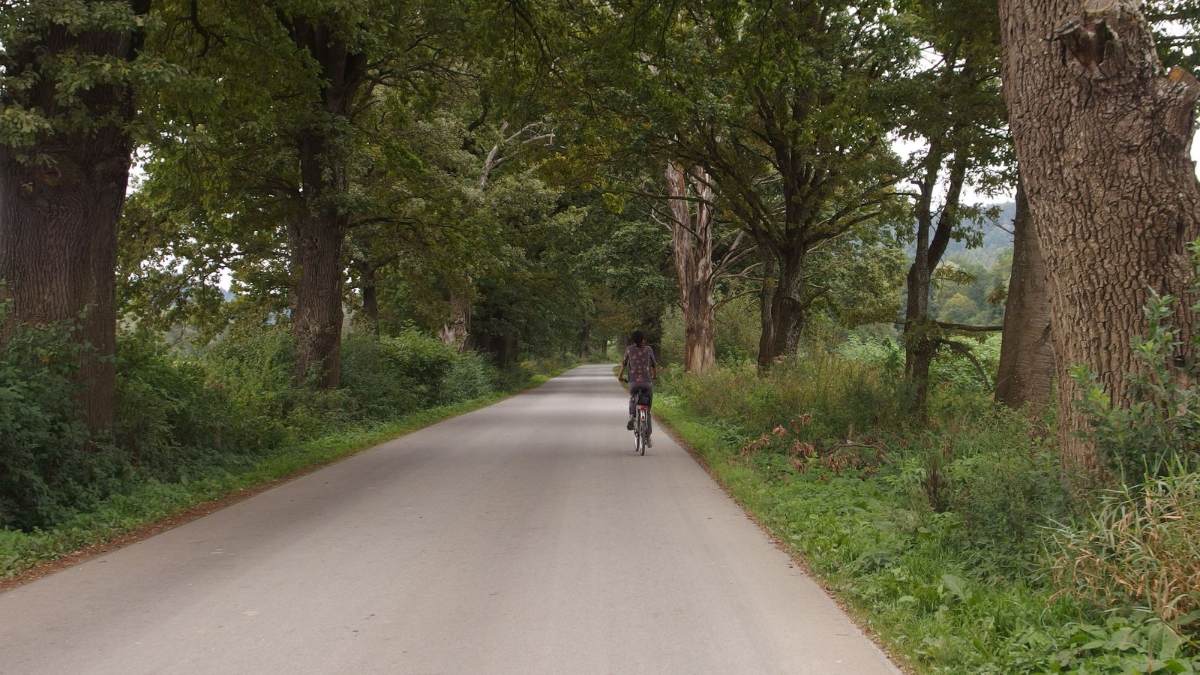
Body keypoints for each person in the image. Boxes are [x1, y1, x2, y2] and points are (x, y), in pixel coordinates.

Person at [617, 330, 658, 445]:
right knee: (647, 410)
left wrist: (620, 376)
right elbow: (654, 365)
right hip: (646, 383)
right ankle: (647, 436)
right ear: (643, 339)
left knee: (633, 398)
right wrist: (654, 376)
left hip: (633, 382)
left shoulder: (629, 349)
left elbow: (624, 364)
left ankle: (632, 416)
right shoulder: (648, 349)